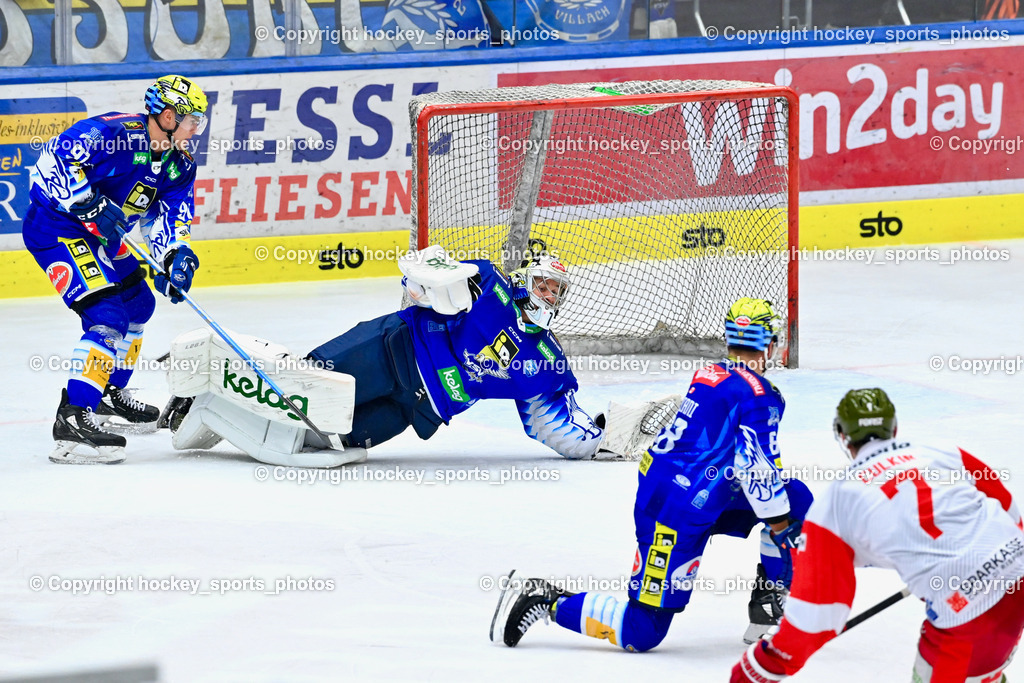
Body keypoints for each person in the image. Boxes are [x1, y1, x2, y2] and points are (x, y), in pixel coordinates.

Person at [492, 297, 813, 650]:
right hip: (673, 515)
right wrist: (784, 534)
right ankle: (545, 599)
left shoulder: (711, 373)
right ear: (769, 342)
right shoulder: (760, 396)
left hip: (683, 494)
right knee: (641, 631)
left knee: (793, 497)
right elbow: (756, 470)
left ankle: (768, 605)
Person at [160, 245, 670, 464]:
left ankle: (216, 413)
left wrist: (609, 442)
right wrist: (430, 284)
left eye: (558, 290)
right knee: (301, 383)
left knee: (328, 438)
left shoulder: (546, 361)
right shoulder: (487, 283)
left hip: (416, 409)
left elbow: (551, 428)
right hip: (390, 349)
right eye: (543, 283)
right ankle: (201, 390)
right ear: (525, 278)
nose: (548, 295)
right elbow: (421, 275)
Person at [731, 388, 1024, 683]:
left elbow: (817, 615)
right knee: (982, 666)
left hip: (968, 613)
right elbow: (1009, 510)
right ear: (894, 426)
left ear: (842, 436)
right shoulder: (942, 452)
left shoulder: (836, 502)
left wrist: (757, 667)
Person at [24, 75, 208, 464]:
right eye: (192, 119)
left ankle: (107, 393)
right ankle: (73, 418)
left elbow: (168, 219)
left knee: (139, 306)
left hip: (105, 237)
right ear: (169, 116)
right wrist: (86, 201)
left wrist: (175, 256)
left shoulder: (180, 165)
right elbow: (51, 160)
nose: (197, 128)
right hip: (58, 228)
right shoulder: (111, 133)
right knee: (107, 316)